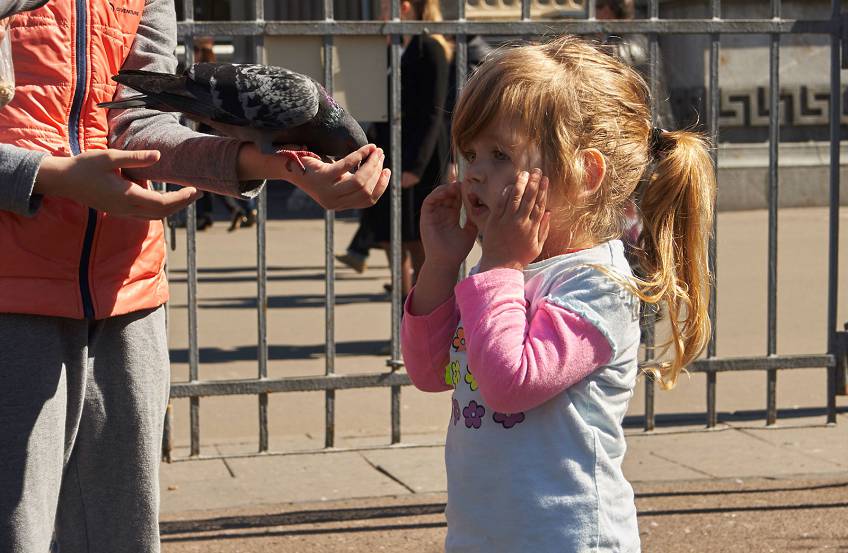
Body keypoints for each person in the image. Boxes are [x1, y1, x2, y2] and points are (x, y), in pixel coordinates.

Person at [0, 1, 389, 552]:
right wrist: (47, 176)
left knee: (121, 536)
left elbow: (137, 120)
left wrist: (279, 167)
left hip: (129, 292)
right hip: (11, 295)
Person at [401, 36, 716, 551]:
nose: (473, 172)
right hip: (484, 534)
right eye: (470, 153)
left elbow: (510, 383)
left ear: (584, 172)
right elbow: (430, 372)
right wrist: (440, 265)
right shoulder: (505, 270)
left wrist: (500, 265)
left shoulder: (596, 284)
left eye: (500, 154)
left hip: (567, 536)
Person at [337, 0, 451, 300]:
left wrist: (416, 166)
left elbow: (434, 113)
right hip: (390, 149)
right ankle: (404, 300)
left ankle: (427, 303)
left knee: (417, 237)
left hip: (420, 154)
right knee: (390, 233)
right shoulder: (392, 47)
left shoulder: (430, 47)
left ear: (405, 7)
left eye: (387, 8)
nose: (382, 14)